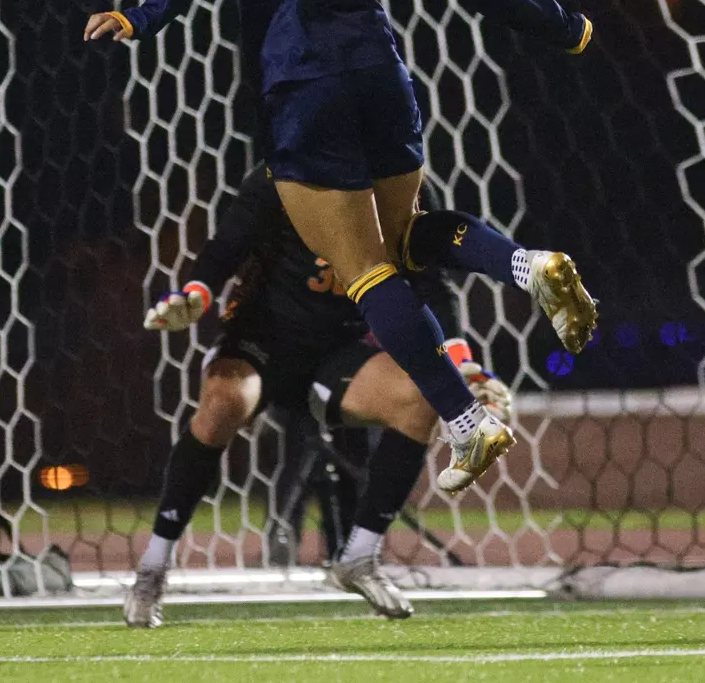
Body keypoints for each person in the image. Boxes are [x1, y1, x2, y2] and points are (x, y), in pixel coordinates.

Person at [88, 0, 597, 495]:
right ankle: (526, 262)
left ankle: (464, 420)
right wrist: (560, 24)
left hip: (302, 79)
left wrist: (148, 14)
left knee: (365, 273)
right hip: (380, 72)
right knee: (400, 242)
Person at [123, 166, 518, 628]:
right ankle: (153, 566)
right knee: (222, 405)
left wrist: (463, 364)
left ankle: (359, 557)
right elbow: (225, 247)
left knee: (421, 398)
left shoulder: (397, 179)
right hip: (261, 339)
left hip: (340, 349)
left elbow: (429, 282)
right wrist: (196, 293)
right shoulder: (279, 176)